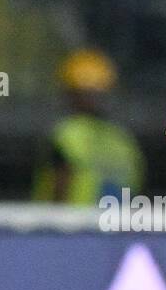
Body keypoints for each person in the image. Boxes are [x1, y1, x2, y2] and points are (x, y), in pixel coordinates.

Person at [34, 49, 144, 205]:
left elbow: (60, 184)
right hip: (116, 224)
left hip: (71, 225)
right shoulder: (122, 138)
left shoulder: (67, 133)